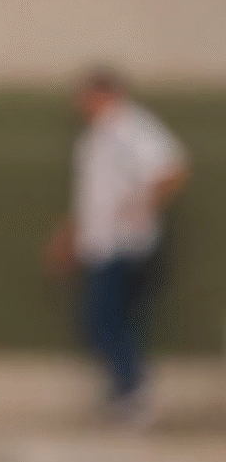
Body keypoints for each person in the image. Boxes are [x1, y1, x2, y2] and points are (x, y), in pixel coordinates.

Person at [45, 66, 189, 425]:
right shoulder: (97, 136)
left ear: (103, 93)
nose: (78, 105)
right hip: (101, 244)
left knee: (105, 320)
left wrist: (141, 205)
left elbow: (171, 167)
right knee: (104, 321)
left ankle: (133, 394)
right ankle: (124, 392)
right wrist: (71, 236)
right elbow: (96, 197)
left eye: (84, 97)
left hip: (124, 245)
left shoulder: (131, 127)